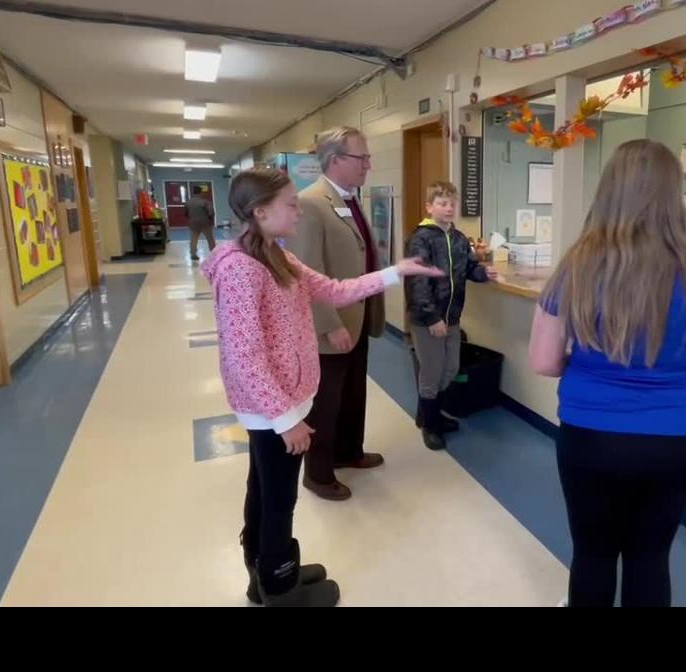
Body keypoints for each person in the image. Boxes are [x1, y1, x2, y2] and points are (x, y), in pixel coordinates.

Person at [202, 167, 441, 607]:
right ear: (260, 212)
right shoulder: (241, 271)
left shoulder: (276, 255)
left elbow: (333, 290)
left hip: (287, 398)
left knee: (263, 488)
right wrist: (286, 420)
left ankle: (265, 572)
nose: (298, 211)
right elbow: (244, 357)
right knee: (279, 498)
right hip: (273, 407)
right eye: (290, 204)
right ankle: (278, 585)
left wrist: (395, 272)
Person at [528, 140, 686, 608]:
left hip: (590, 436)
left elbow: (544, 361)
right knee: (651, 557)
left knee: (593, 554)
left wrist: (591, 368)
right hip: (676, 441)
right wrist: (677, 366)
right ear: (673, 197)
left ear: (608, 192)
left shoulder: (575, 269)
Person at [289, 126, 384, 501]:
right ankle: (318, 473)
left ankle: (348, 451)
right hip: (332, 324)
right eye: (362, 158)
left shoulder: (349, 199)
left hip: (356, 318)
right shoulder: (311, 203)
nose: (368, 165)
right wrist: (328, 326)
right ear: (335, 160)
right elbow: (305, 273)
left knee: (353, 391)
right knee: (326, 401)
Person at [404, 181, 499, 450]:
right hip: (427, 319)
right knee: (432, 373)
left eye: (452, 204)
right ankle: (431, 426)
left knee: (450, 369)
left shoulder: (457, 238)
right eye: (442, 203)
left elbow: (469, 268)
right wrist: (432, 317)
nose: (448, 208)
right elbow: (417, 282)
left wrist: (483, 273)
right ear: (429, 207)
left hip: (452, 317)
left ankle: (429, 413)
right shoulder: (421, 238)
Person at [186, 186, 216, 261]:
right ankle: (214, 253)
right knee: (210, 239)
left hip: (193, 223)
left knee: (193, 239)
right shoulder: (205, 202)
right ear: (201, 192)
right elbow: (211, 213)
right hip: (205, 223)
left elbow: (186, 213)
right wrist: (211, 221)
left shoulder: (188, 202)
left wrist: (191, 219)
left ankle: (193, 254)